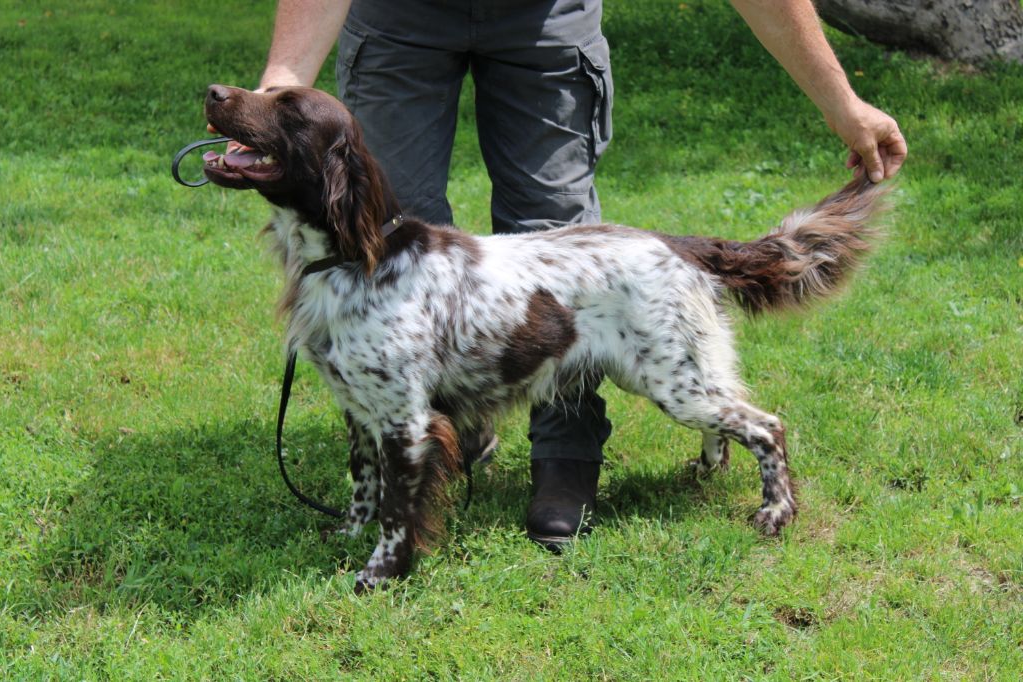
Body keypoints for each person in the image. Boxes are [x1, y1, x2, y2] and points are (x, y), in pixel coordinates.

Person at [237, 0, 907, 549]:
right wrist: (279, 89)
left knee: (551, 220)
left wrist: (840, 100)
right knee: (387, 234)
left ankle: (567, 457)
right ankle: (437, 427)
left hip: (544, 20)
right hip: (400, 18)